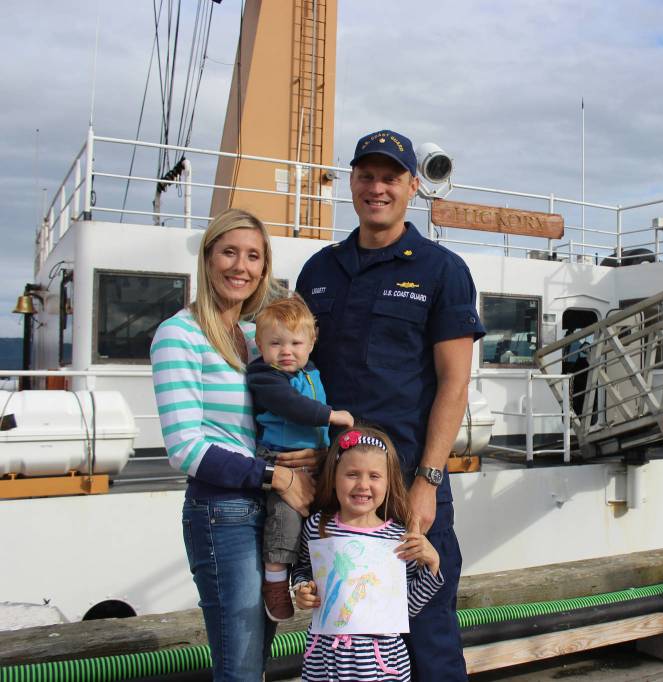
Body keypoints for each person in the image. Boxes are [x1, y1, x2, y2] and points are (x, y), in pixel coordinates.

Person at [296, 129, 485, 681]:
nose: (377, 188)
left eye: (390, 177)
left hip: (406, 483)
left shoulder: (441, 271)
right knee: (345, 638)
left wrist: (427, 480)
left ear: (411, 186)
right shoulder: (320, 271)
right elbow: (299, 373)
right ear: (352, 182)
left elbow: (454, 385)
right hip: (338, 489)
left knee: (428, 633)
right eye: (366, 176)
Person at [151, 208, 318, 681]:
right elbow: (185, 448)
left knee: (260, 657)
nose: (240, 267)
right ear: (207, 259)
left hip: (269, 506)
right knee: (240, 665)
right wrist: (278, 476)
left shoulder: (255, 335)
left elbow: (281, 414)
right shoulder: (178, 335)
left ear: (264, 269)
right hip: (222, 511)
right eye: (229, 252)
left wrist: (314, 453)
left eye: (253, 256)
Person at [293, 426, 444, 681]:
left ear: (388, 482)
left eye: (374, 476)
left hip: (381, 662)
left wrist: (433, 564)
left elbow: (405, 607)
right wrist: (302, 589)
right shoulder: (317, 526)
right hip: (325, 661)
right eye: (352, 474)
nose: (363, 485)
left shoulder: (398, 537)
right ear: (334, 476)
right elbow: (303, 570)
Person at [246, 295, 355, 621]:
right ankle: (276, 580)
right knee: (285, 515)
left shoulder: (311, 371)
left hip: (312, 461)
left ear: (311, 343)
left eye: (296, 342)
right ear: (259, 344)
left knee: (322, 515)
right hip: (280, 458)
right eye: (276, 343)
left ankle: (315, 576)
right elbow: (292, 406)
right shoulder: (265, 376)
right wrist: (332, 417)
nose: (286, 351)